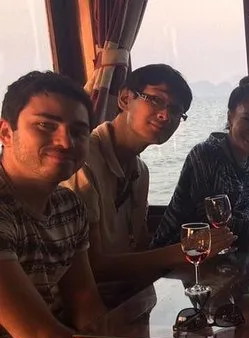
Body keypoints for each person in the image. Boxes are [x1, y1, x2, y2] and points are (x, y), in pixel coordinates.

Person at [62, 64, 236, 302]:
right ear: (125, 99)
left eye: (176, 110)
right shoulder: (83, 163)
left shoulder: (140, 171)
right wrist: (182, 251)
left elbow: (141, 250)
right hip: (91, 304)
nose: (165, 115)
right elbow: (93, 266)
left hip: (132, 295)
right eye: (155, 100)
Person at [0, 71, 107, 338]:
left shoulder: (68, 206)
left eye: (78, 131)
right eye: (45, 126)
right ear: (6, 132)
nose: (65, 141)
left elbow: (86, 305)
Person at [150, 76, 249, 248]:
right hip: (179, 255)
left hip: (229, 253)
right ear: (230, 118)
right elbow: (217, 230)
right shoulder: (206, 155)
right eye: (248, 120)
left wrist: (239, 219)